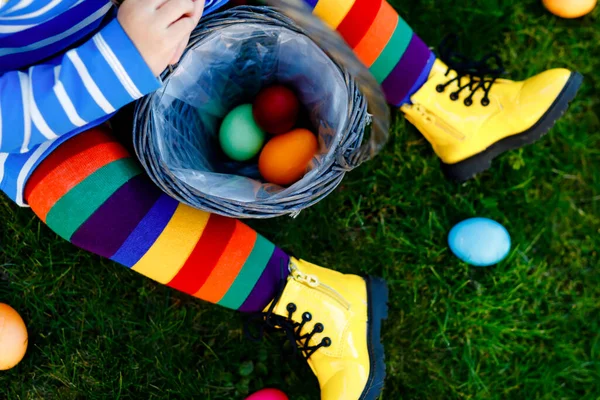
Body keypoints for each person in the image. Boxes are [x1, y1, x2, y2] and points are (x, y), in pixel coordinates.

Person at [0, 0, 581, 399]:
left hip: (191, 8)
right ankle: (317, 299)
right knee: (65, 187)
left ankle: (451, 110)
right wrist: (119, 63)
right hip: (44, 93)